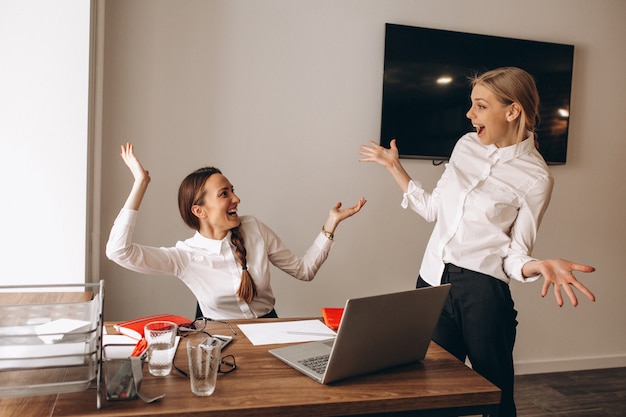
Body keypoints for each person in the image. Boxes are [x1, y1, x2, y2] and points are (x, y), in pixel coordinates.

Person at [358, 66, 595, 417]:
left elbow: (514, 255)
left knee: (494, 397)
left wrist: (538, 265)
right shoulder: (465, 146)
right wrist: (395, 167)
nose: (470, 115)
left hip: (482, 294)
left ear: (512, 110)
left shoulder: (536, 177)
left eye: (480, 106)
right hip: (431, 280)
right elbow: (434, 210)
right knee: (429, 391)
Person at [106, 143, 366, 320]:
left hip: (269, 331)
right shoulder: (184, 256)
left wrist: (331, 223)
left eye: (232, 190)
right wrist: (141, 183)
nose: (237, 199)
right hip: (218, 343)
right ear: (200, 210)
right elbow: (118, 251)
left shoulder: (253, 228)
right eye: (224, 194)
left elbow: (304, 271)